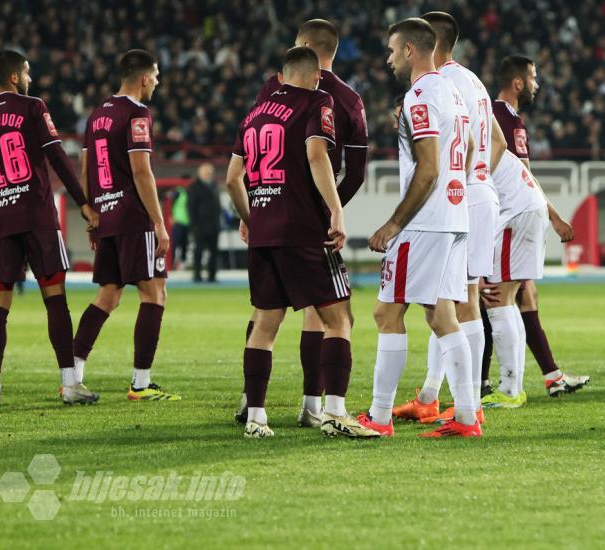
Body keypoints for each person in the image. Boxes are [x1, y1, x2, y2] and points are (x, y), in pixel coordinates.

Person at [226, 46, 378, 439]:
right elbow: (316, 156)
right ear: (314, 75)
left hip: (264, 232)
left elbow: (231, 178)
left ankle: (257, 418)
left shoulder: (253, 114)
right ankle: (335, 412)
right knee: (339, 317)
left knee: (265, 323)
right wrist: (336, 211)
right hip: (303, 229)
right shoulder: (318, 100)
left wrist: (251, 218)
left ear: (281, 75)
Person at [356, 18, 480, 438]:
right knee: (443, 315)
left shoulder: (421, 95)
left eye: (392, 51)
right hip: (455, 214)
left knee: (387, 312)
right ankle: (466, 417)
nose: (388, 59)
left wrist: (394, 224)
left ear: (410, 50)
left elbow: (428, 168)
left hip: (425, 222)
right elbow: (464, 151)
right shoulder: (454, 93)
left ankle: (379, 416)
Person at [391, 11, 506, 425]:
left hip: (455, 199)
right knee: (451, 303)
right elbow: (494, 140)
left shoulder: (439, 84)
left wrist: (461, 181)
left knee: (461, 303)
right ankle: (434, 396)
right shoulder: (471, 80)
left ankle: (466, 404)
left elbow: (450, 150)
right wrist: (476, 176)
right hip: (472, 192)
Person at [0, 50, 100, 405]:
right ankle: (70, 384)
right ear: (13, 77)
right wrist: (83, 202)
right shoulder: (32, 107)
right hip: (36, 216)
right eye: (26, 72)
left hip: (0, 220)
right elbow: (57, 156)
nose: (30, 78)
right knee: (55, 298)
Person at [72, 49, 180, 401]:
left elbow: (86, 168)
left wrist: (90, 213)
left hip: (106, 214)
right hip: (133, 216)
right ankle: (141, 383)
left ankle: (72, 374)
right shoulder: (137, 114)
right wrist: (159, 223)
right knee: (155, 294)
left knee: (108, 295)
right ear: (145, 77)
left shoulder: (97, 115)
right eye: (158, 76)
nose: (159, 83)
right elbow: (140, 170)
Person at [487, 54, 590, 398]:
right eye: (533, 78)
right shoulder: (507, 119)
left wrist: (555, 216)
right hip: (506, 217)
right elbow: (524, 175)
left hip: (510, 216)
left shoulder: (502, 115)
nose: (537, 85)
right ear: (518, 83)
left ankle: (538, 379)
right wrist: (555, 217)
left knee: (509, 295)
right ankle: (508, 381)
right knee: (501, 297)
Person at [480, 151, 549, 408]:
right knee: (506, 300)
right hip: (527, 205)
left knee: (497, 298)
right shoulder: (482, 119)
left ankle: (509, 390)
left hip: (515, 211)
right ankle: (514, 388)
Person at [187, 162, 221, 282]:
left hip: (214, 225)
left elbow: (218, 205)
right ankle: (197, 275)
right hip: (200, 226)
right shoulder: (194, 187)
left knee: (214, 252)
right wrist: (194, 225)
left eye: (210, 172)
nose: (208, 174)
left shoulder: (215, 186)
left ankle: (212, 275)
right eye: (206, 172)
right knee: (199, 251)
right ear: (200, 173)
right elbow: (191, 207)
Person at [170, 184, 189, 270]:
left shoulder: (188, 193)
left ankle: (182, 264)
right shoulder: (178, 192)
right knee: (175, 243)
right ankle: (172, 263)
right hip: (178, 222)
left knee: (185, 244)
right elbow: (170, 204)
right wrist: (171, 216)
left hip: (187, 222)